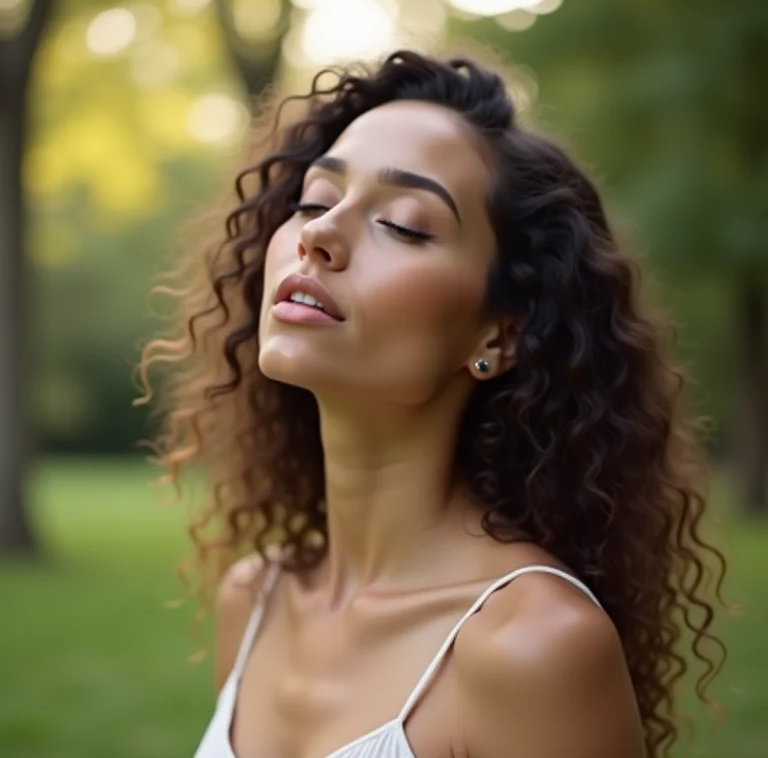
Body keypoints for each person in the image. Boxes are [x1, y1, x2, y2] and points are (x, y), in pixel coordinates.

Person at [139, 50, 726, 758]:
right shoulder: (255, 597)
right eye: (314, 202)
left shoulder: (532, 647)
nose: (319, 236)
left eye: (405, 225)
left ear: (499, 333)